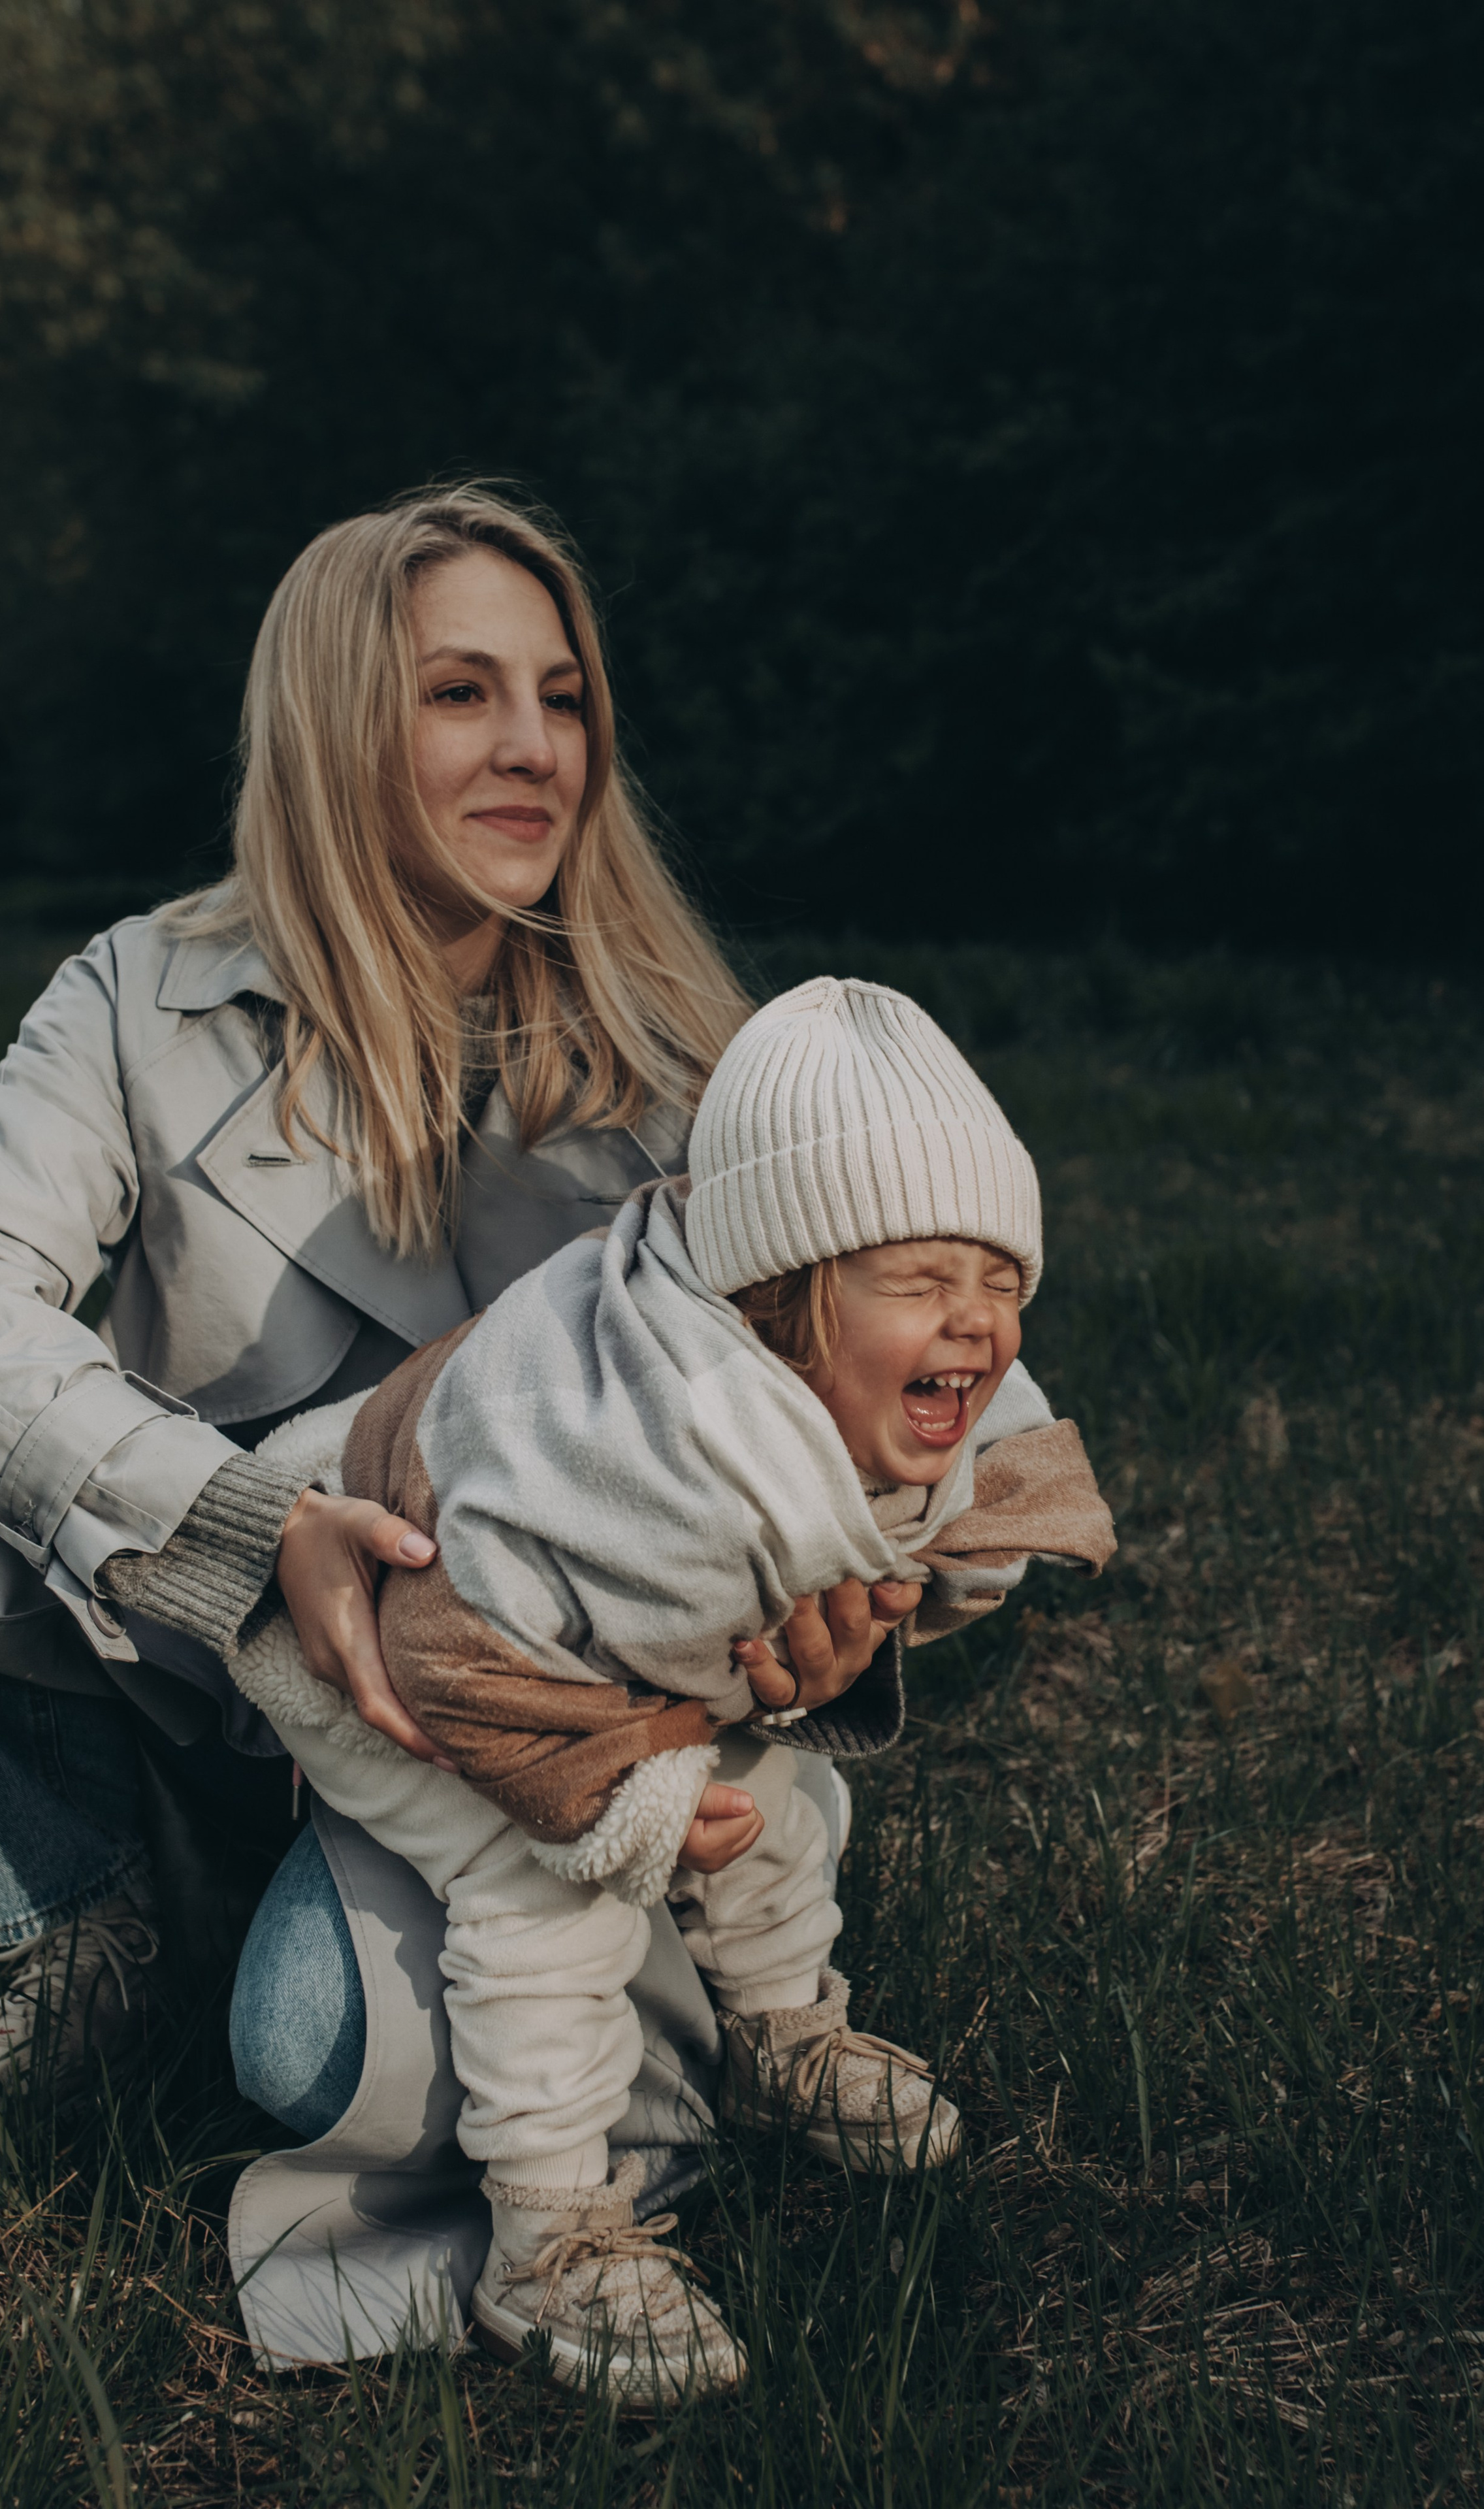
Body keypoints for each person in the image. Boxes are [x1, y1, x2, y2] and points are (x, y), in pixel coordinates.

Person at [0, 486, 915, 2339]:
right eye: (461, 694)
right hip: (212, 1676)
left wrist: (851, 1620)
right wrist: (242, 1535)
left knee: (319, 2056)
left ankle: (591, 2058)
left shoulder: (689, 1056)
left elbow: (929, 1398)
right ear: (337, 724)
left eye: (562, 698)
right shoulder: (142, 993)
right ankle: (81, 1929)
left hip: (500, 1748)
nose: (532, 750)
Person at [226, 978, 1116, 2402]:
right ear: (781, 1295)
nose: (976, 1323)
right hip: (387, 1637)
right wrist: (627, 1800)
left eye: (1001, 1279)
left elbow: (972, 1498)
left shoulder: (898, 1362)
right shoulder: (605, 1453)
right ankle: (546, 2233)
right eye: (919, 1282)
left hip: (587, 1635)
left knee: (765, 1775)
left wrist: (926, 1580)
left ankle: (777, 2022)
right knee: (544, 1900)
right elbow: (456, 1656)